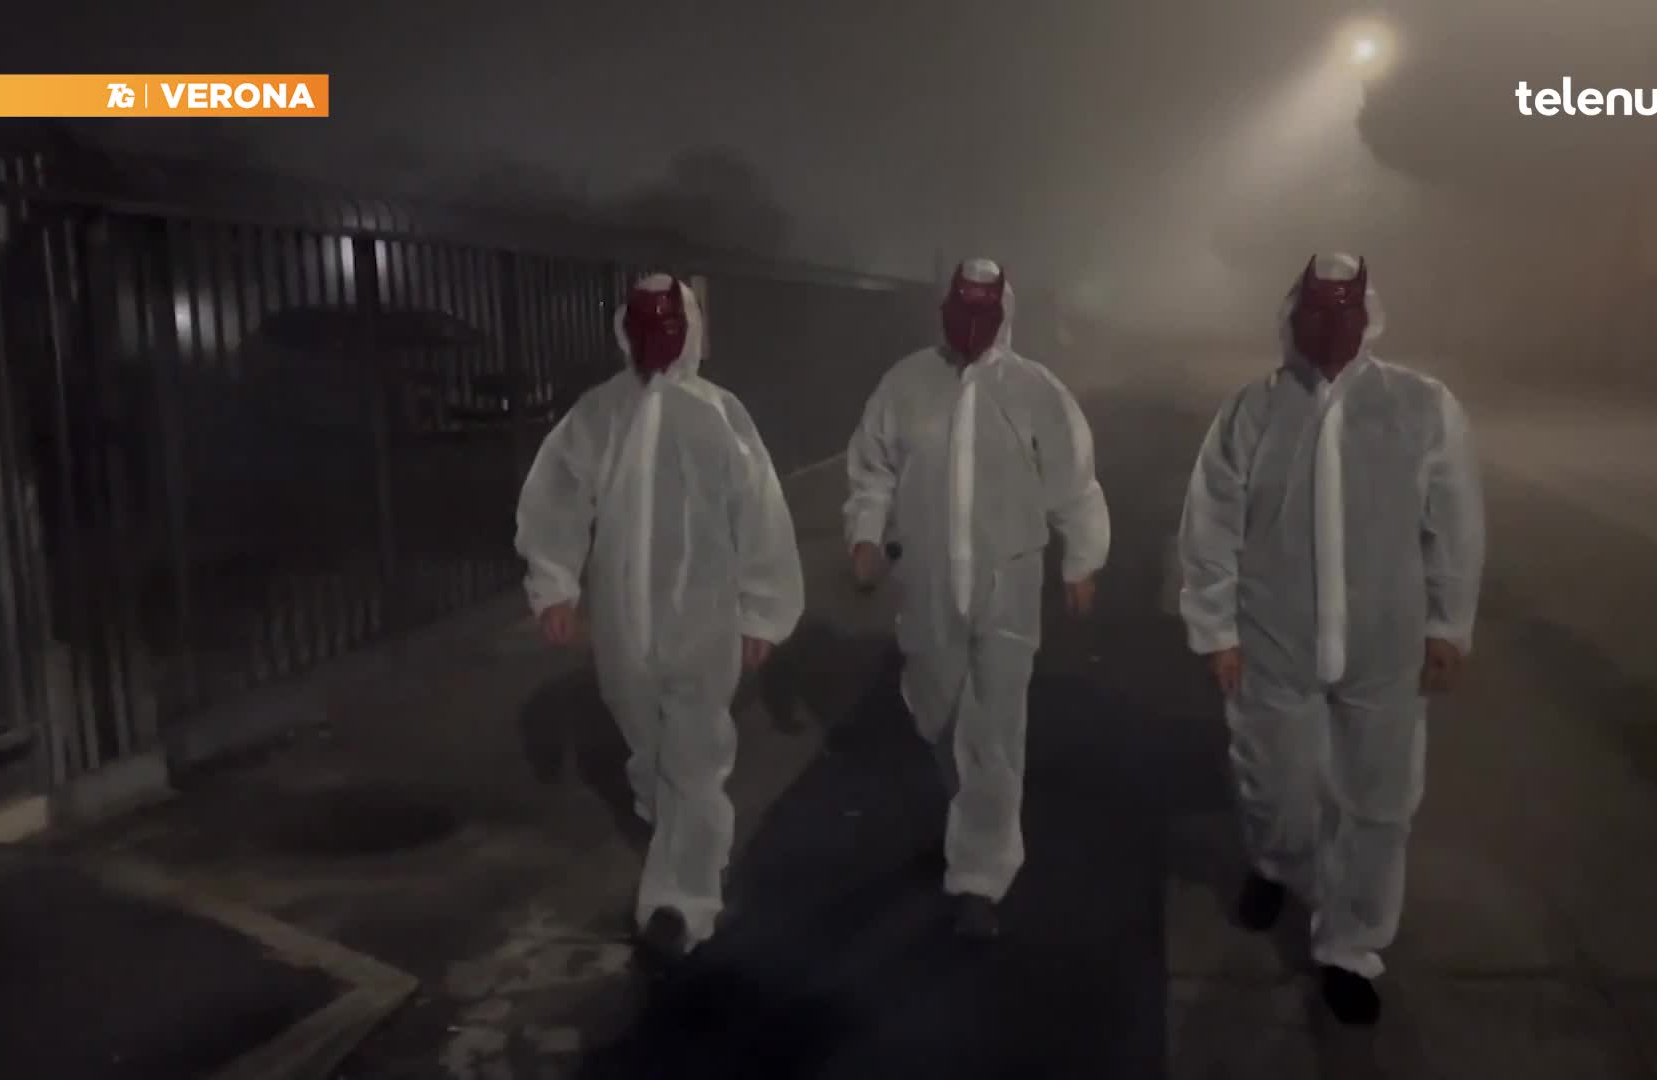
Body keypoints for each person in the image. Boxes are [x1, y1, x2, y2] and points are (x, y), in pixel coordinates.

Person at [1176, 253, 1485, 1025]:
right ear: (1292, 316)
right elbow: (1210, 527)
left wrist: (1448, 622)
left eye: (1343, 312)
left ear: (1367, 316)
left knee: (1378, 806)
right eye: (1316, 312)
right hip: (1272, 636)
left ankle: (1351, 947)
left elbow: (1454, 523)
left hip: (1385, 645)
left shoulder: (1421, 406)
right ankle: (1276, 863)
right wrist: (1215, 628)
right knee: (1274, 785)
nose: (1329, 329)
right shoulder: (1251, 412)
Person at [515, 273, 805, 970]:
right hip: (622, 628)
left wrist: (763, 611)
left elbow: (761, 515)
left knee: (696, 758)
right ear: (627, 330)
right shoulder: (598, 414)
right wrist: (554, 587)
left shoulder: (722, 416)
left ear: (690, 331)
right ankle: (682, 829)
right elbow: (556, 498)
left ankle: (680, 900)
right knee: (650, 750)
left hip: (704, 618)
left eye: (668, 328)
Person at [843, 257, 1110, 940]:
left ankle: (980, 878)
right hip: (927, 581)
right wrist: (865, 535)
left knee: (993, 728)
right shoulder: (906, 384)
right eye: (960, 311)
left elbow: (1074, 480)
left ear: (1003, 315)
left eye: (981, 314)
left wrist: (1081, 558)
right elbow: (873, 468)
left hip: (1007, 584)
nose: (969, 326)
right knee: (936, 711)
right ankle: (971, 819)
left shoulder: (1035, 390)